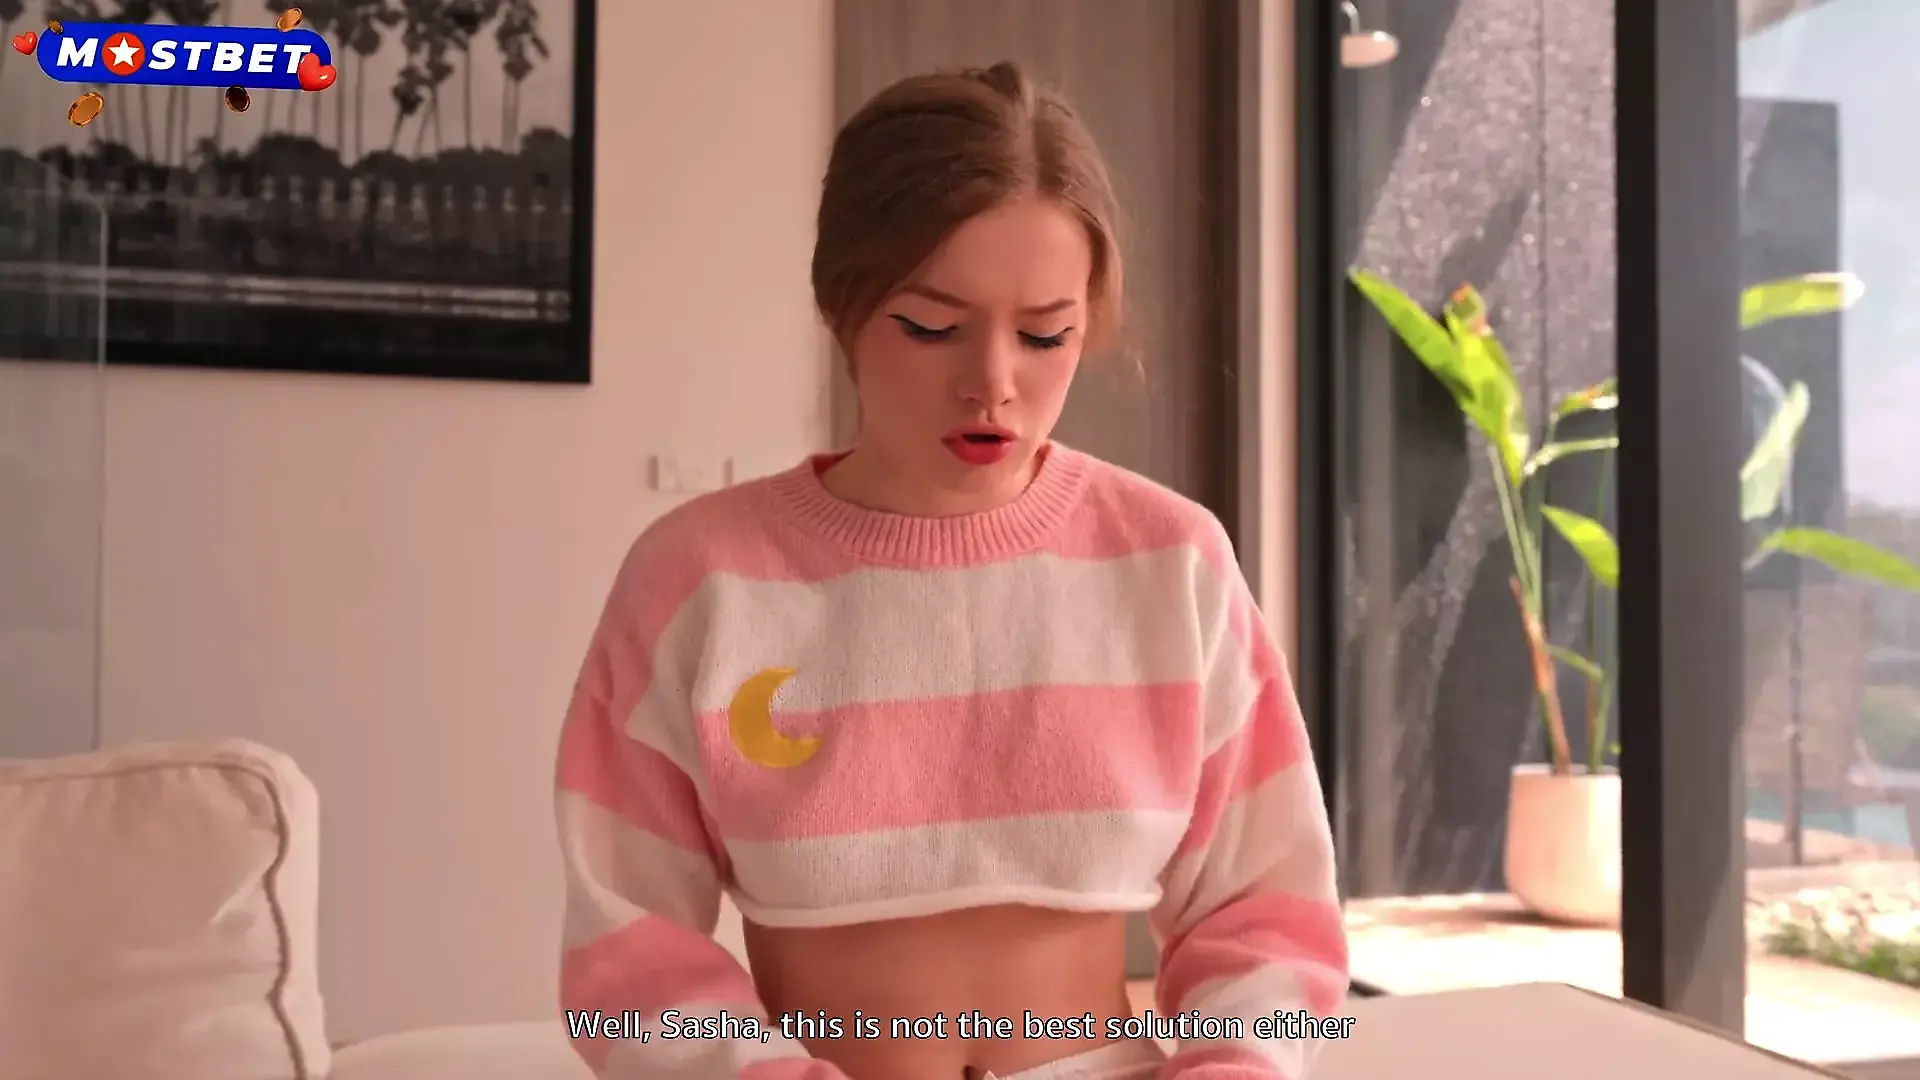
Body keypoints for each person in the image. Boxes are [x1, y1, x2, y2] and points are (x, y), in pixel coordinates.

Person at [552, 60, 1348, 1080]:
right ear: (841, 304)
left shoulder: (1171, 563)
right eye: (932, 328)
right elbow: (632, 960)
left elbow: (1268, 917)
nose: (992, 383)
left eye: (1046, 333)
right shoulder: (699, 580)